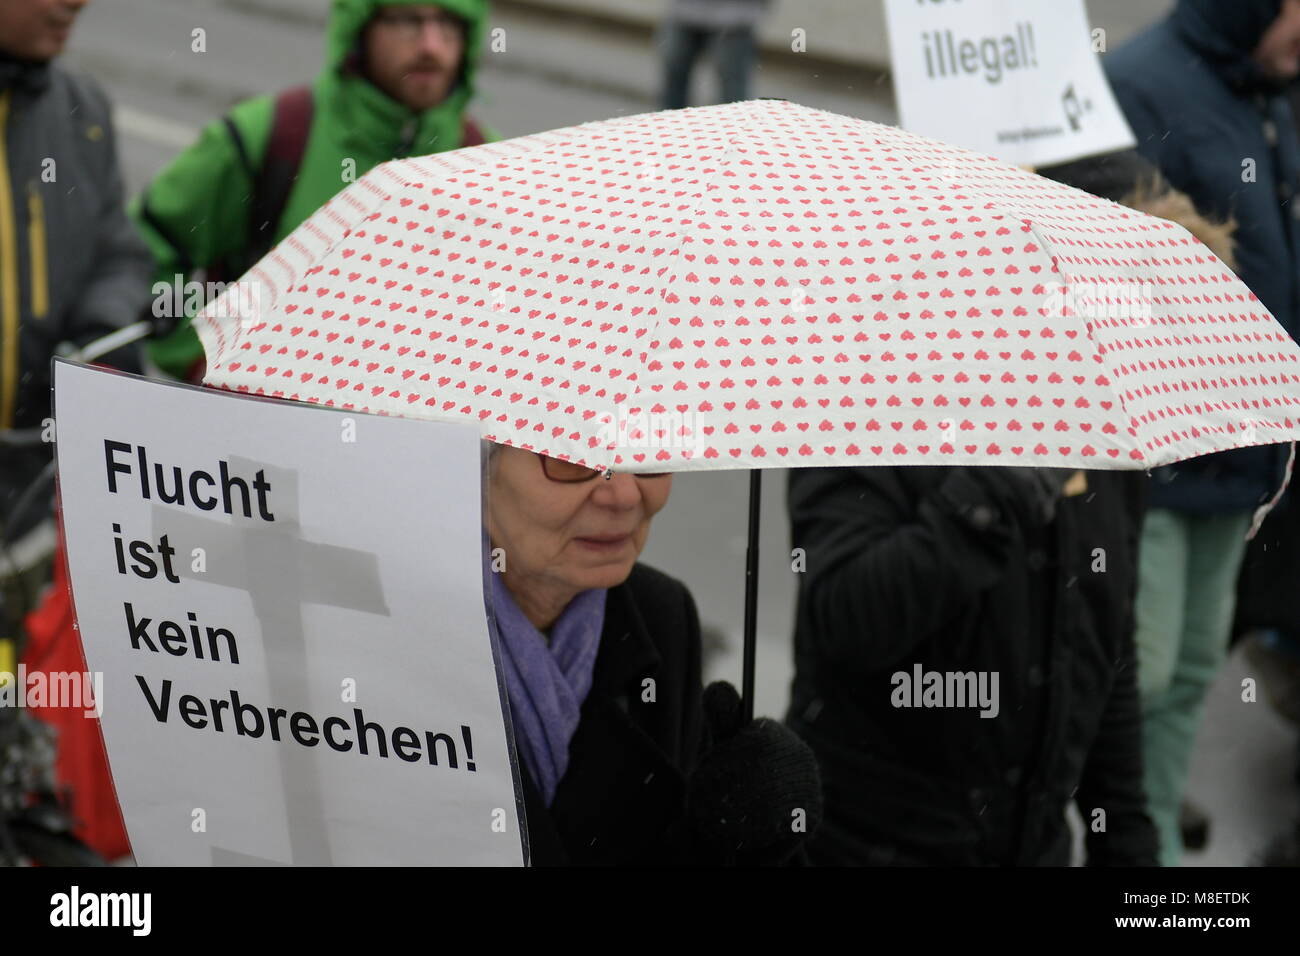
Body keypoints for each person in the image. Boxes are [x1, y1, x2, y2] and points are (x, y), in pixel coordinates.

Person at [1105, 0, 1300, 865]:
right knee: (1134, 680)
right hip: (1171, 452)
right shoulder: (1138, 84)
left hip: (1250, 451)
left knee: (1188, 673)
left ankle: (1158, 866)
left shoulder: (1268, 86)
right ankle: (1115, 845)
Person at [785, 464, 1158, 866]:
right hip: (865, 841)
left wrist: (1126, 839)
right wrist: (993, 493)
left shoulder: (1101, 431)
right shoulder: (870, 411)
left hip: (1033, 848)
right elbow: (844, 621)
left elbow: (1104, 649)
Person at [485, 445, 821, 864]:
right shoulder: (398, 634)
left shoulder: (658, 614)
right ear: (474, 465)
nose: (625, 495)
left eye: (646, 452)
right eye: (571, 457)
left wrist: (731, 841)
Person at [133, 0, 492, 383]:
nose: (432, 46)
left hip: (415, 435)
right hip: (256, 430)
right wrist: (199, 357)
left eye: (450, 24)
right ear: (359, 27)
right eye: (408, 19)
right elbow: (141, 247)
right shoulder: (273, 135)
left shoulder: (493, 167)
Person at [0, 0, 153, 862]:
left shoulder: (80, 112)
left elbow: (119, 252)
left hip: (31, 482)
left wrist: (97, 330)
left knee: (27, 704)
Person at [658, 0, 771, 110]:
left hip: (736, 15)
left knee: (733, 94)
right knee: (672, 86)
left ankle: (736, 126)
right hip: (682, 11)